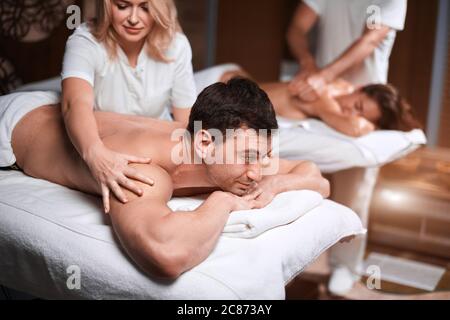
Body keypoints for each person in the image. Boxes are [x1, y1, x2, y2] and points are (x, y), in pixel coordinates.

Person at [4, 78, 330, 279]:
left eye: (261, 157)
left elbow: (316, 176)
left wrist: (277, 183)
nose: (257, 172)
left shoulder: (232, 144)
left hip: (56, 107)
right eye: (248, 158)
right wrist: (222, 201)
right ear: (205, 143)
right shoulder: (143, 169)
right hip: (13, 124)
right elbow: (167, 253)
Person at [61, 0, 197, 213]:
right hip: (108, 145)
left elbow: (187, 121)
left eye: (145, 8)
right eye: (123, 6)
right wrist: (95, 156)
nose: (134, 18)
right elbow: (73, 104)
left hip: (157, 145)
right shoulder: (85, 40)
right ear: (107, 6)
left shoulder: (176, 45)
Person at [286, 0, 407, 101]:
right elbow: (297, 28)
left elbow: (369, 40)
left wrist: (324, 76)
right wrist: (307, 63)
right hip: (320, 91)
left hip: (366, 99)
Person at [260, 80, 421, 137]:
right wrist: (372, 126)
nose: (350, 114)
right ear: (359, 88)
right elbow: (354, 127)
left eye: (360, 115)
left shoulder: (342, 88)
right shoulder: (323, 96)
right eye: (357, 106)